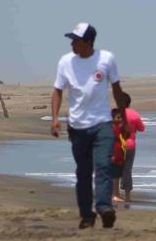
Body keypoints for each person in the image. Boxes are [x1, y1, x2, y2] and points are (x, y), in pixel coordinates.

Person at [50, 22, 128, 229]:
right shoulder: (65, 62)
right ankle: (87, 215)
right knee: (83, 172)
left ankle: (104, 207)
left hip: (102, 123)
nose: (72, 44)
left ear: (88, 42)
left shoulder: (106, 59)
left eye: (76, 41)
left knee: (103, 166)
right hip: (77, 127)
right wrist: (55, 119)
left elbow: (117, 91)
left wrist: (125, 120)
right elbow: (57, 90)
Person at [110, 94, 145, 204]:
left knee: (115, 170)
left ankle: (116, 194)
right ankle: (128, 196)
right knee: (127, 170)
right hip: (129, 145)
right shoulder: (134, 114)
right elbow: (142, 128)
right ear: (129, 102)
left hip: (116, 145)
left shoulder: (115, 114)